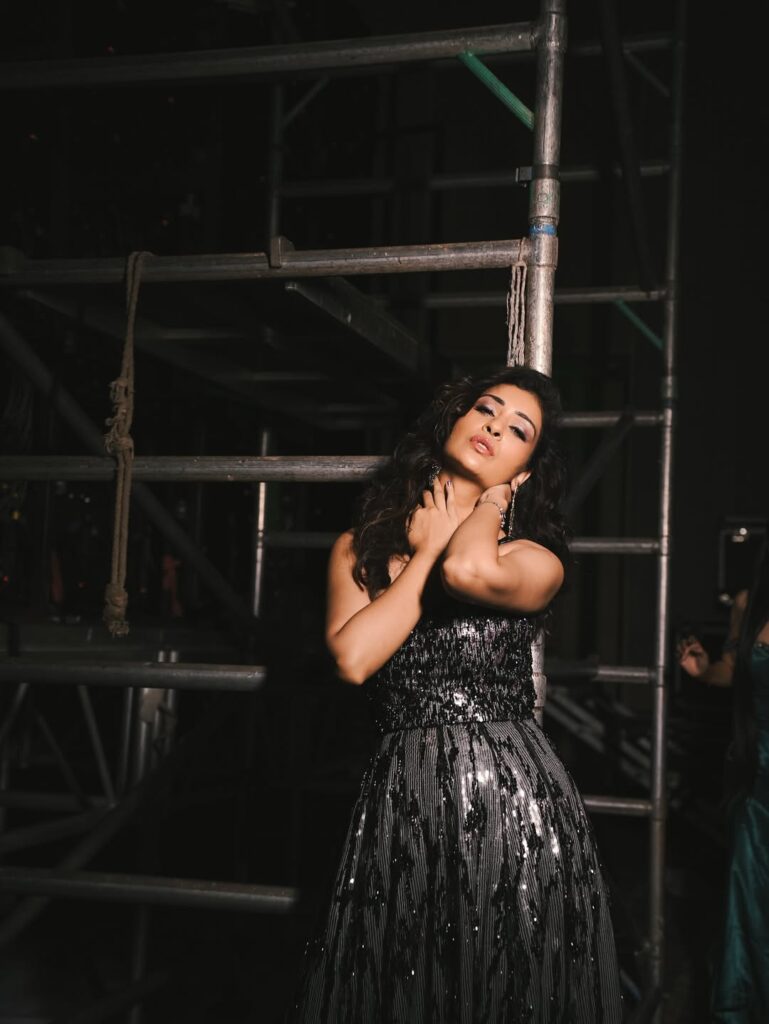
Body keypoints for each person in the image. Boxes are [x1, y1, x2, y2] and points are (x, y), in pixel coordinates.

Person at [288, 365, 623, 1023]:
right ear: (453, 419)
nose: (494, 427)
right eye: (485, 410)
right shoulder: (358, 548)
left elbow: (468, 570)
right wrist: (422, 555)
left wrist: (490, 504)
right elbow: (353, 660)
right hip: (401, 796)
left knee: (504, 988)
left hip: (509, 800)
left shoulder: (534, 557)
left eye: (518, 430)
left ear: (527, 468)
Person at [678, 536, 769, 1022]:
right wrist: (704, 669)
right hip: (759, 790)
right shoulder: (749, 603)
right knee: (750, 916)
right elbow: (732, 670)